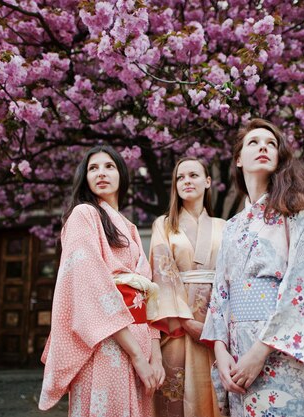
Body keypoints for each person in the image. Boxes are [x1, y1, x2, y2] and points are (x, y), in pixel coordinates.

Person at [201, 119, 304, 417]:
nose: (263, 147)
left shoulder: (296, 213)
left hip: (282, 351)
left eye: (271, 144)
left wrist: (260, 352)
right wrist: (222, 353)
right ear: (238, 159)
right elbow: (220, 294)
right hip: (236, 353)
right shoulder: (232, 227)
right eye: (254, 143)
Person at [39, 145, 165, 417]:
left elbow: (149, 293)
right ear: (84, 178)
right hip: (108, 340)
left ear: (121, 173)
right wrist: (136, 355)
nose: (101, 173)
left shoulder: (129, 227)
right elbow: (90, 285)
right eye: (93, 168)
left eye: (109, 166)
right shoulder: (83, 215)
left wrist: (155, 356)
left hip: (139, 338)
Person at [149, 157, 226, 417]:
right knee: (176, 398)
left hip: (216, 325)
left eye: (193, 175)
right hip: (178, 326)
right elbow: (162, 275)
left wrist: (214, 326)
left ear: (207, 181)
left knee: (216, 393)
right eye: (180, 178)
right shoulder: (164, 225)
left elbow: (231, 279)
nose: (186, 181)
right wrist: (186, 321)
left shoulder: (224, 227)